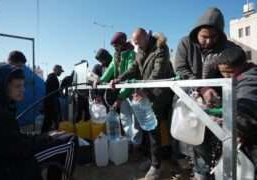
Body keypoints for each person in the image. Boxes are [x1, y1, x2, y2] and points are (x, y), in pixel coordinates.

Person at [0, 63, 77, 180]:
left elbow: (12, 138)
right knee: (71, 141)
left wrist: (45, 135)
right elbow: (21, 148)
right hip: (9, 168)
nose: (22, 90)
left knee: (59, 136)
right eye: (18, 86)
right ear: (2, 85)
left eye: (23, 85)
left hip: (2, 161)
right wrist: (46, 137)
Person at [174, 7, 237, 179]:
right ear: (197, 32)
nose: (208, 41)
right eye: (204, 36)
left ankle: (218, 172)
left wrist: (214, 93)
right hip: (193, 103)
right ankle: (202, 174)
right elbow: (180, 68)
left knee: (218, 143)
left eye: (213, 37)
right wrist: (202, 88)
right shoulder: (185, 43)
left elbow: (234, 65)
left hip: (216, 104)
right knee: (198, 143)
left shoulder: (226, 47)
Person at [111, 28, 174, 180]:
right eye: (135, 43)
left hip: (160, 94)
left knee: (154, 129)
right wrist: (120, 78)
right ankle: (152, 160)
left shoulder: (161, 48)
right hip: (149, 93)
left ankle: (156, 166)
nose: (137, 46)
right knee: (146, 127)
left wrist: (144, 90)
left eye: (139, 42)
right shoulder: (141, 50)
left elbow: (157, 73)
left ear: (146, 37)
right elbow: (134, 68)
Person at [215, 46, 257, 177]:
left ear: (242, 66)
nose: (225, 76)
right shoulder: (241, 76)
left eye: (229, 72)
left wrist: (233, 124)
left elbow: (245, 110)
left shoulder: (249, 80)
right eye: (222, 72)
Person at [93, 32, 141, 145]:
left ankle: (137, 145)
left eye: (116, 45)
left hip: (132, 91)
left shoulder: (131, 54)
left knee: (135, 120)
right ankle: (130, 141)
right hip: (122, 91)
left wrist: (119, 98)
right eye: (113, 46)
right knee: (124, 118)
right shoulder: (116, 56)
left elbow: (129, 75)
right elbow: (110, 69)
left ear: (122, 43)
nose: (115, 48)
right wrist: (100, 80)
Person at [42, 64, 64, 132]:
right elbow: (53, 92)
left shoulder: (52, 77)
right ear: (56, 70)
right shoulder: (52, 77)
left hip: (51, 102)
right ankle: (43, 136)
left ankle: (45, 135)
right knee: (48, 121)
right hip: (51, 103)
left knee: (50, 121)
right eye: (60, 71)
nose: (61, 72)